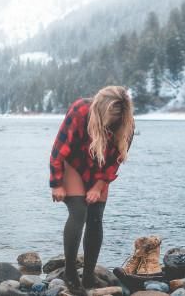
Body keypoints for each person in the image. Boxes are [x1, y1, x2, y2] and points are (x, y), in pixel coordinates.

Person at [49, 85, 135, 295]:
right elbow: (59, 149)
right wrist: (57, 183)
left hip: (99, 169)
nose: (113, 123)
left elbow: (116, 160)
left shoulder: (127, 123)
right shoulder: (80, 110)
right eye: (110, 118)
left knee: (96, 217)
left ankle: (88, 275)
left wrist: (99, 186)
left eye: (118, 119)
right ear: (100, 108)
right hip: (73, 163)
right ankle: (70, 274)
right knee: (79, 213)